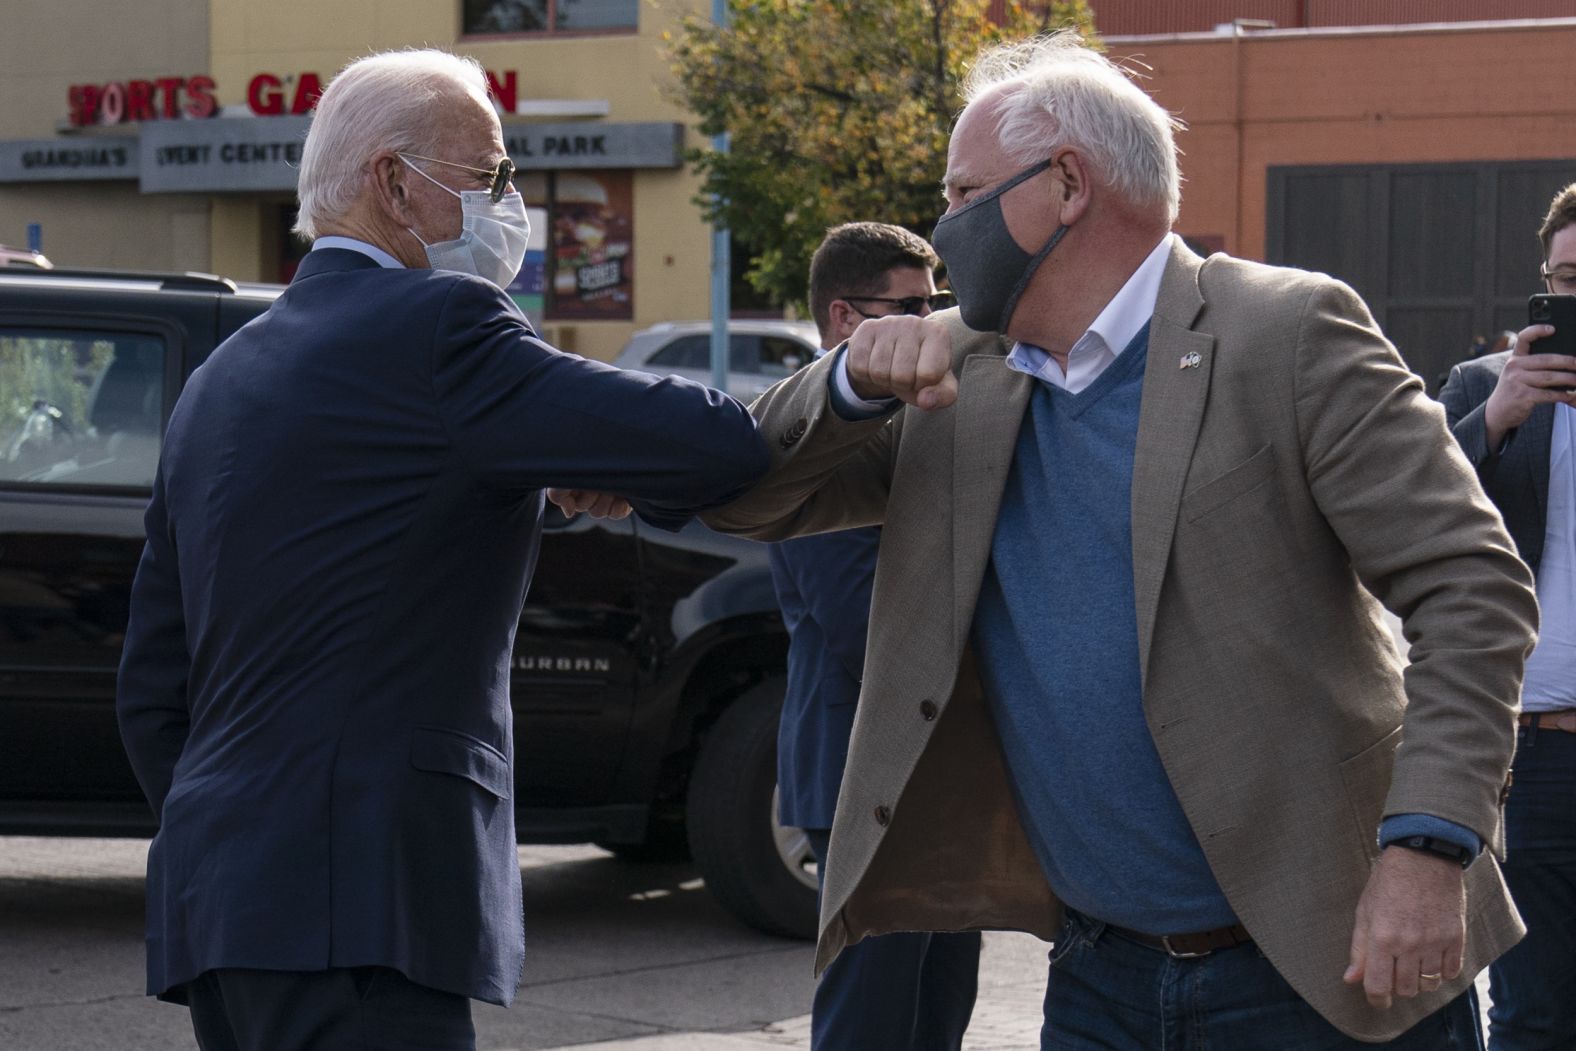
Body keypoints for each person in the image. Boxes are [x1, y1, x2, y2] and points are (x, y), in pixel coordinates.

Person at [696, 31, 1537, 1049]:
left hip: (1327, 961)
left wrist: (1428, 847)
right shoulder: (957, 372)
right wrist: (844, 382)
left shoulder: (1289, 332)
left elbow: (1472, 587)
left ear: (1065, 183)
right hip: (1099, 973)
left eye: (963, 193)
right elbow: (751, 496)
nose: (942, 226)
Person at [115, 49, 767, 1051]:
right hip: (363, 904)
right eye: (488, 177)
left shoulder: (222, 373)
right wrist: (853, 387)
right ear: (390, 182)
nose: (510, 206)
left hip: (226, 901)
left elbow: (154, 685)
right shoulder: (443, 323)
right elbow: (713, 442)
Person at [772, 222, 979, 1050]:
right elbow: (869, 625)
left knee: (938, 1017)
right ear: (845, 318)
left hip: (934, 776)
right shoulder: (820, 436)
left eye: (939, 304)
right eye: (913, 306)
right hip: (863, 774)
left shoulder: (915, 419)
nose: (934, 324)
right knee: (871, 1026)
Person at [1439, 183, 1576, 1051]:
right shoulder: (1489, 389)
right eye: (1567, 279)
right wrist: (1493, 420)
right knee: (1533, 1014)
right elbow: (1392, 513)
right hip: (1534, 755)